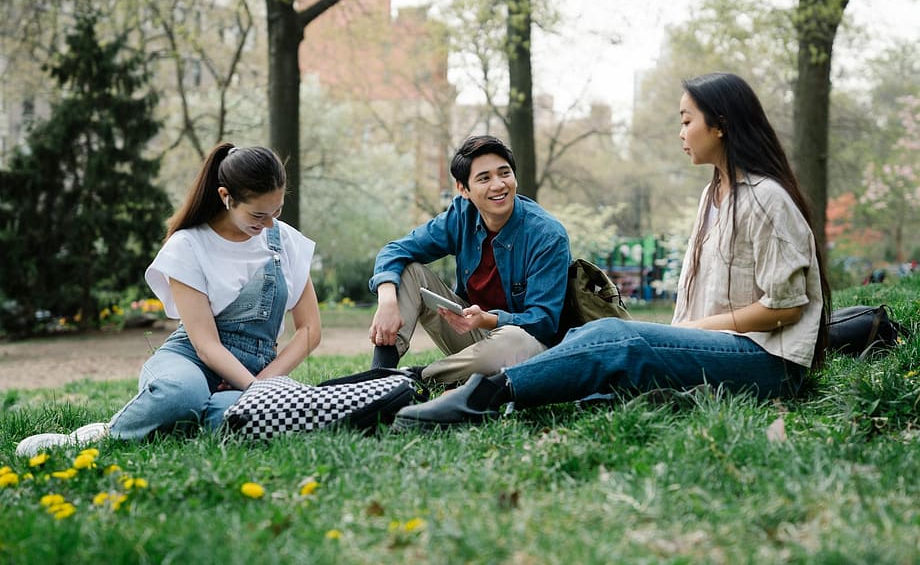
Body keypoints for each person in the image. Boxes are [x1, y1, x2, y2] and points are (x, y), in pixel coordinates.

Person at [393, 72, 831, 429]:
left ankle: (484, 396)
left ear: (719, 125)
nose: (680, 132)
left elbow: (785, 309)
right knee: (589, 337)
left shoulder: (766, 198)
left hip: (766, 362)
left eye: (686, 120)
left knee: (617, 337)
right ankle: (453, 385)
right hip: (716, 345)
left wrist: (697, 328)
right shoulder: (713, 196)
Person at [16, 143, 321, 456]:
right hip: (191, 360)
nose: (270, 223)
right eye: (258, 214)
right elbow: (206, 345)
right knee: (182, 394)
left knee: (237, 415)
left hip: (256, 370)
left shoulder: (284, 241)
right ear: (225, 197)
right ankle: (102, 436)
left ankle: (173, 424)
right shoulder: (188, 245)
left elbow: (310, 330)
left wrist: (263, 386)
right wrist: (256, 389)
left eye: (277, 210)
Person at [367, 135, 571, 385]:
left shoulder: (547, 235)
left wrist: (489, 318)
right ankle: (376, 377)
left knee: (513, 340)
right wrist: (386, 300)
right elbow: (395, 250)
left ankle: (417, 377)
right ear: (463, 189)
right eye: (484, 178)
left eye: (504, 173)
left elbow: (543, 322)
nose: (498, 185)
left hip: (526, 346)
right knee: (408, 270)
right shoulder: (461, 215)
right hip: (471, 332)